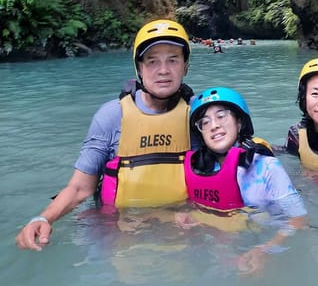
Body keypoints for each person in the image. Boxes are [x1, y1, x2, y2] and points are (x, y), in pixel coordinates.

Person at [16, 18, 195, 251]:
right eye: (152, 61)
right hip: (119, 228)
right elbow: (80, 188)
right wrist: (43, 219)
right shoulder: (112, 116)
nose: (163, 70)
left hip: (180, 225)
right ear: (139, 68)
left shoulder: (200, 115)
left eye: (173, 60)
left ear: (185, 66)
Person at [182, 86, 307, 274]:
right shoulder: (201, 170)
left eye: (221, 116)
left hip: (267, 241)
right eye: (204, 122)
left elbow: (299, 219)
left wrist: (264, 250)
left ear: (239, 122)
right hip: (225, 251)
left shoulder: (267, 167)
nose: (214, 125)